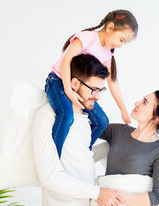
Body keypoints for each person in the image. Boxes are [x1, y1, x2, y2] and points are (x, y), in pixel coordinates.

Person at [32, 53, 122, 206]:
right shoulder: (49, 117)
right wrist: (97, 193)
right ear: (74, 84)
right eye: (93, 90)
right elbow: (49, 177)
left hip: (85, 205)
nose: (97, 98)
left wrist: (114, 148)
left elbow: (79, 154)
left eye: (101, 91)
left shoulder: (83, 115)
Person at [46, 9, 138, 158]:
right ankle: (53, 159)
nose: (121, 45)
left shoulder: (108, 54)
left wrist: (123, 110)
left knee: (102, 121)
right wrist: (68, 90)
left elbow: (113, 82)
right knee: (67, 115)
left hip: (80, 89)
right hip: (57, 81)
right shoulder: (88, 38)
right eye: (121, 40)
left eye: (124, 43)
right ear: (110, 28)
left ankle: (82, 153)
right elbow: (66, 60)